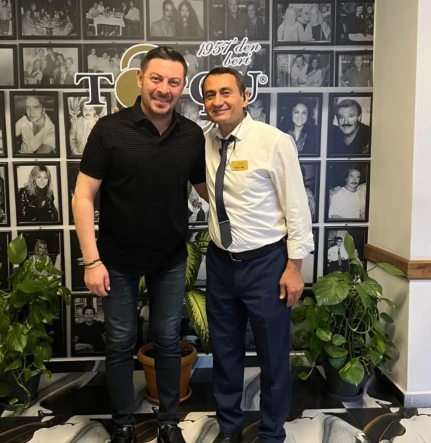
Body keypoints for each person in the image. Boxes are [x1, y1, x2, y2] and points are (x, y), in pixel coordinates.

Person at [72, 46, 207, 443]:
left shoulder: (191, 135)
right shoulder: (108, 130)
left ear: (183, 87)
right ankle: (123, 424)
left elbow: (208, 191)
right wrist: (92, 261)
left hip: (170, 259)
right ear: (140, 79)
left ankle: (168, 422)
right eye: (156, 79)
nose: (164, 89)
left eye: (174, 82)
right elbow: (83, 197)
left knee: (167, 342)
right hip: (116, 260)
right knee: (119, 344)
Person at [201, 67, 314, 443]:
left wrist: (294, 267)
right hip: (221, 263)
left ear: (244, 96)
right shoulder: (205, 141)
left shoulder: (273, 141)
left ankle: (271, 433)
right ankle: (229, 429)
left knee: (273, 357)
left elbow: (297, 207)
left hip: (267, 265)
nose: (218, 101)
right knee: (225, 353)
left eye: (226, 92)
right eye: (210, 95)